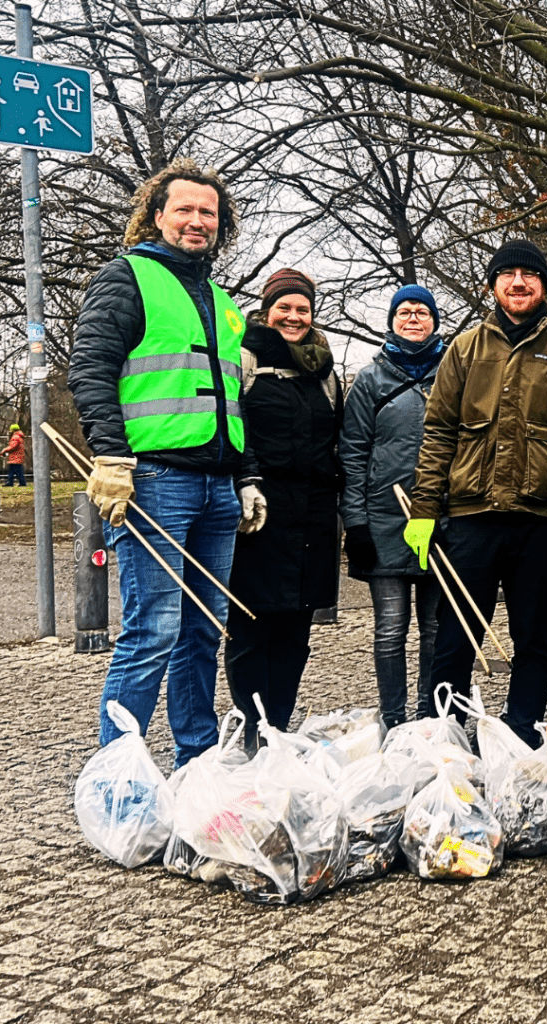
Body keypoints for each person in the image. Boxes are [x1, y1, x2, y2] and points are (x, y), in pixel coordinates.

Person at [67, 158, 266, 769]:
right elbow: (91, 367)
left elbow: (230, 400)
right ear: (157, 215)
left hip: (217, 486)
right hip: (153, 480)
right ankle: (117, 775)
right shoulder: (127, 277)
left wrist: (248, 475)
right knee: (153, 631)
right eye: (184, 209)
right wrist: (110, 455)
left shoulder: (222, 302)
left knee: (204, 633)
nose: (196, 220)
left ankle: (195, 765)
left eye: (208, 212)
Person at [404, 239, 547, 747]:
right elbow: (439, 433)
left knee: (535, 643)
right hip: (472, 518)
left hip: (546, 523)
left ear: (545, 286)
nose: (519, 282)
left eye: (530, 274)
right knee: (454, 641)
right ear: (492, 284)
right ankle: (442, 741)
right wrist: (424, 508)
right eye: (508, 273)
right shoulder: (465, 349)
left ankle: (520, 741)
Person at [224, 268, 344, 752]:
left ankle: (279, 726)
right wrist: (246, 481)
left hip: (314, 512)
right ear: (267, 309)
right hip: (261, 511)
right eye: (285, 308)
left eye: (303, 309)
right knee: (252, 626)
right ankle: (251, 729)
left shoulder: (326, 370)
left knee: (296, 630)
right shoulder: (244, 358)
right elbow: (232, 425)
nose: (294, 317)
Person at [340, 284, 446, 728]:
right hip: (385, 518)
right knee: (390, 629)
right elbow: (352, 451)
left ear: (435, 321)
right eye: (404, 312)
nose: (413, 319)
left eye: (422, 312)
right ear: (391, 320)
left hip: (441, 517)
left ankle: (432, 716)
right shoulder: (370, 380)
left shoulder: (452, 372)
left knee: (438, 630)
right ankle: (394, 719)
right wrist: (356, 522)